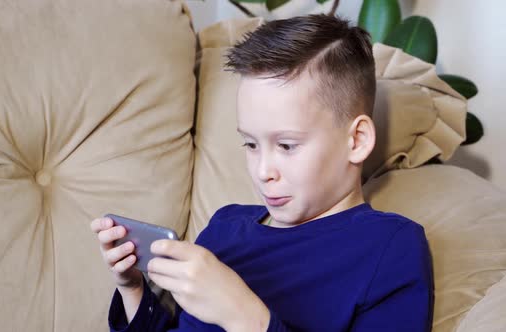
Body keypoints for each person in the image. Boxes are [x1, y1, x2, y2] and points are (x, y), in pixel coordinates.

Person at [90, 13, 434, 332]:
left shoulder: (390, 247)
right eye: (251, 145)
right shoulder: (225, 226)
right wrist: (133, 287)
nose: (263, 171)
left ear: (356, 140)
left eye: (286, 146)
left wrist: (243, 314)